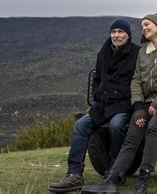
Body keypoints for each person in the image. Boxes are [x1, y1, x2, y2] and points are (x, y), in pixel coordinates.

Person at [81, 13, 157, 194]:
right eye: (142, 26)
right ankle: (111, 181)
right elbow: (136, 80)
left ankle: (143, 180)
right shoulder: (143, 52)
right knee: (132, 135)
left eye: (147, 24)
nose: (144, 28)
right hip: (146, 102)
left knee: (153, 128)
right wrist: (138, 108)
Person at [48, 19, 140, 193]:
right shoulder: (104, 52)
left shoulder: (137, 53)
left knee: (116, 125)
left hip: (123, 105)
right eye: (113, 32)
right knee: (80, 126)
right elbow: (97, 78)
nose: (116, 35)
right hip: (103, 104)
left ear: (128, 35)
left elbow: (138, 81)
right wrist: (97, 95)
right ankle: (74, 174)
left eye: (121, 32)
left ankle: (115, 172)